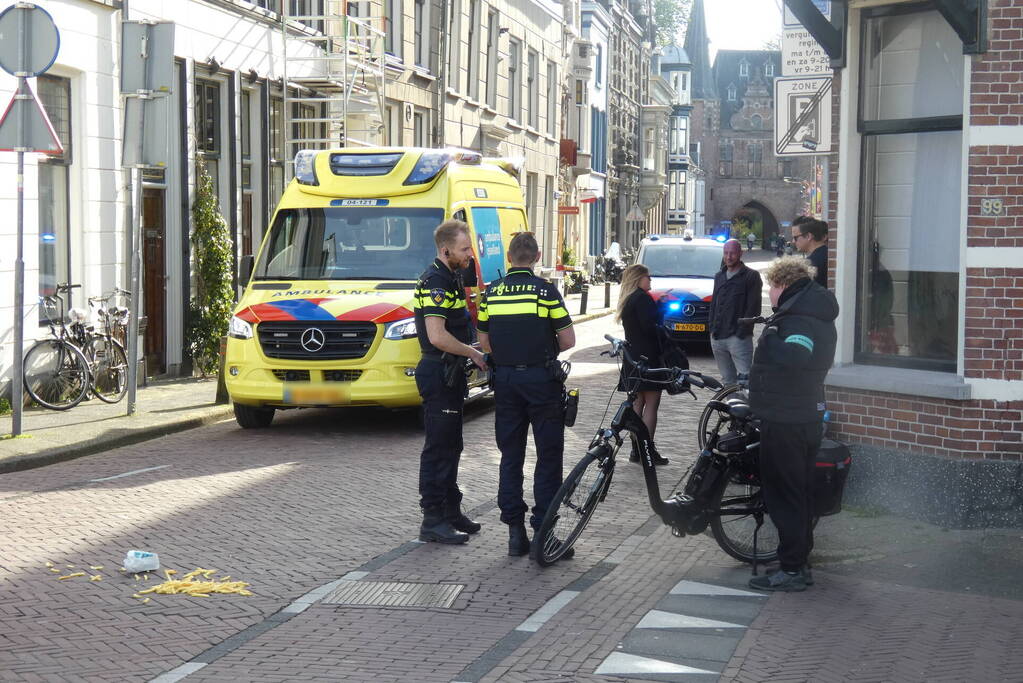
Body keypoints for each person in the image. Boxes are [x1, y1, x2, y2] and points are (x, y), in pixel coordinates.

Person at [476, 232, 576, 558]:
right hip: (541, 382)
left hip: (505, 383)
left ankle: (515, 534)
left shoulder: (491, 294)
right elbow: (568, 340)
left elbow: (484, 340)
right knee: (548, 457)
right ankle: (544, 533)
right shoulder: (545, 292)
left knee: (511, 456)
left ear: (508, 256)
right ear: (537, 256)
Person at [747, 256, 838, 592]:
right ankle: (799, 561)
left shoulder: (798, 319)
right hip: (803, 413)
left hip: (787, 418)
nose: (769, 293)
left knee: (785, 495)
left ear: (782, 284)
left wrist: (769, 337)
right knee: (798, 492)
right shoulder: (811, 312)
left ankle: (792, 568)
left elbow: (797, 356)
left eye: (771, 286)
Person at [413, 220, 488, 545]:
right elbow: (437, 336)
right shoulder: (436, 283)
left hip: (450, 373)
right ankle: (432, 519)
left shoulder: (451, 277)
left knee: (452, 445)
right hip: (439, 372)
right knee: (439, 449)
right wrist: (473, 353)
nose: (470, 255)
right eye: (463, 249)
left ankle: (451, 510)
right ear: (446, 250)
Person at [615, 264, 669, 466]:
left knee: (637, 403)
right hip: (649, 357)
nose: (651, 280)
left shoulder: (628, 299)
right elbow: (650, 327)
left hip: (633, 357)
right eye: (648, 277)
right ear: (638, 278)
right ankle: (647, 449)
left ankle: (635, 449)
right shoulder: (643, 299)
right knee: (651, 405)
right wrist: (662, 311)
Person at [708, 239, 762, 386]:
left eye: (732, 253)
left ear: (740, 254)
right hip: (718, 337)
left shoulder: (751, 276)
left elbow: (753, 308)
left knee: (745, 381)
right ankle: (731, 408)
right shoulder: (719, 276)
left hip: (738, 339)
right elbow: (714, 304)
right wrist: (711, 329)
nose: (729, 257)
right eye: (726, 253)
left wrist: (741, 333)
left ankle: (745, 409)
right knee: (727, 381)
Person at [791, 216, 829, 288]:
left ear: (808, 236)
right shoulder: (830, 255)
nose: (793, 241)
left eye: (795, 238)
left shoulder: (811, 263)